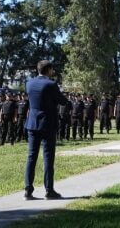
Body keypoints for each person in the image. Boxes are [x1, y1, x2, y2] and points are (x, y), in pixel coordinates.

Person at [24, 60, 68, 201]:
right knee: (48, 158)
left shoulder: (29, 83)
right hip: (47, 124)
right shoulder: (51, 84)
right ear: (48, 70)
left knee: (31, 157)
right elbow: (62, 100)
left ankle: (28, 190)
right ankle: (49, 190)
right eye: (52, 70)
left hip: (32, 123)